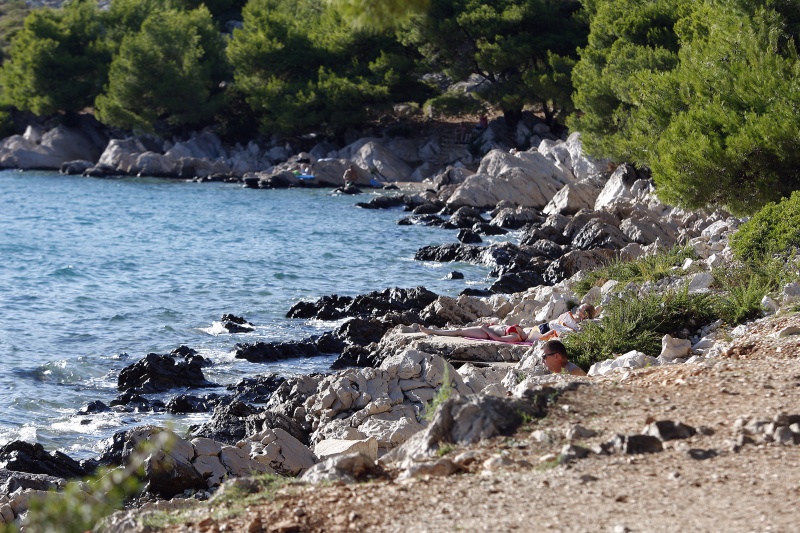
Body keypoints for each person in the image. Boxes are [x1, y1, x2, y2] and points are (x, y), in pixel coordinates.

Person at [420, 322, 530, 343]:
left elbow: (498, 339)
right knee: (460, 330)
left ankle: (432, 331)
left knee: (459, 331)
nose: (529, 332)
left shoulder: (516, 337)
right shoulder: (521, 330)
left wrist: (485, 329)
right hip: (488, 327)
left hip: (485, 333)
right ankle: (444, 329)